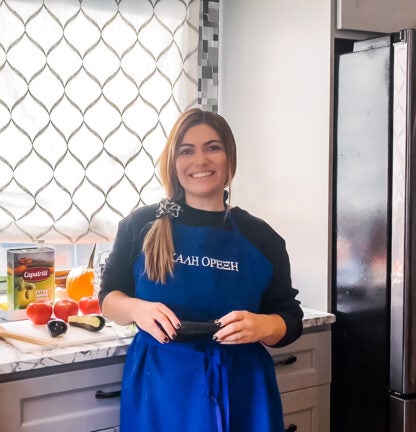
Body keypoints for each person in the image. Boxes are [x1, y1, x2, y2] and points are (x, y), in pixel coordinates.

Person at [99, 108, 303, 432]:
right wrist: (137, 308)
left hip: (244, 386)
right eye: (186, 150)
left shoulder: (262, 238)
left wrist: (262, 325)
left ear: (229, 158)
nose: (200, 161)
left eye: (212, 147)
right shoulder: (140, 225)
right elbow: (109, 297)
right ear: (173, 161)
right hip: (162, 387)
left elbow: (289, 318)